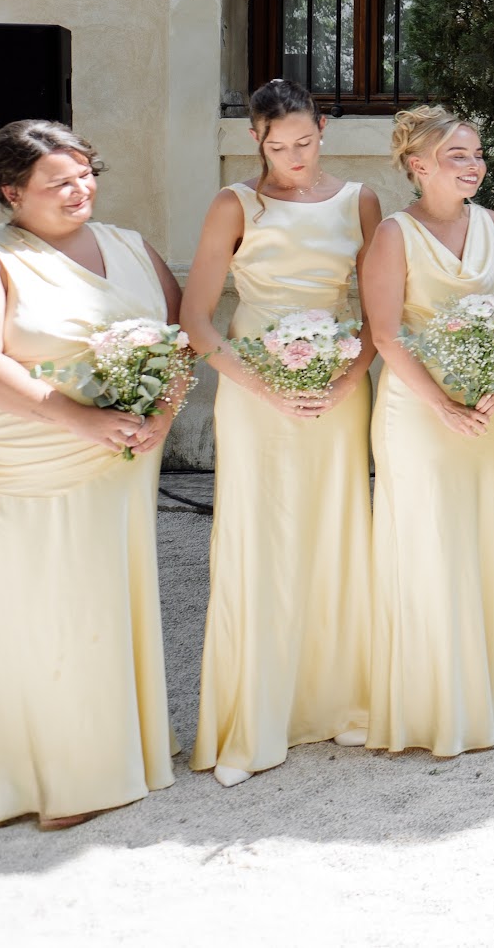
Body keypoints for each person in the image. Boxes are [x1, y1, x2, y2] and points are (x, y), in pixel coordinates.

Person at [0, 121, 180, 828]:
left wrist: (162, 410)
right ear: (12, 191)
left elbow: (178, 334)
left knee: (103, 596)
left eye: (85, 174)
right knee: (36, 606)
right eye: (58, 182)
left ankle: (115, 751)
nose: (79, 190)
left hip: (118, 457)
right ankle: (50, 778)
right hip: (23, 456)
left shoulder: (130, 246)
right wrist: (77, 418)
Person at [182, 78, 382, 785]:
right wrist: (265, 386)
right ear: (255, 140)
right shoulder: (234, 204)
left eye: (304, 141)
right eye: (278, 146)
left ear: (323, 129)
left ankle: (342, 703)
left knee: (336, 532)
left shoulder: (359, 200)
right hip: (254, 391)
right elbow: (196, 319)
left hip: (337, 388)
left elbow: (377, 310)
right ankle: (255, 717)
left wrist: (349, 378)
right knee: (259, 540)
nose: (294, 156)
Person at [361, 106, 494, 756]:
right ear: (418, 165)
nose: (474, 165)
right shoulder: (394, 235)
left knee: (485, 538)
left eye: (477, 153)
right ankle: (434, 708)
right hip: (420, 412)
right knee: (430, 545)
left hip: (489, 406)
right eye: (458, 155)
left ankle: (492, 698)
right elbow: (386, 335)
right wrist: (443, 405)